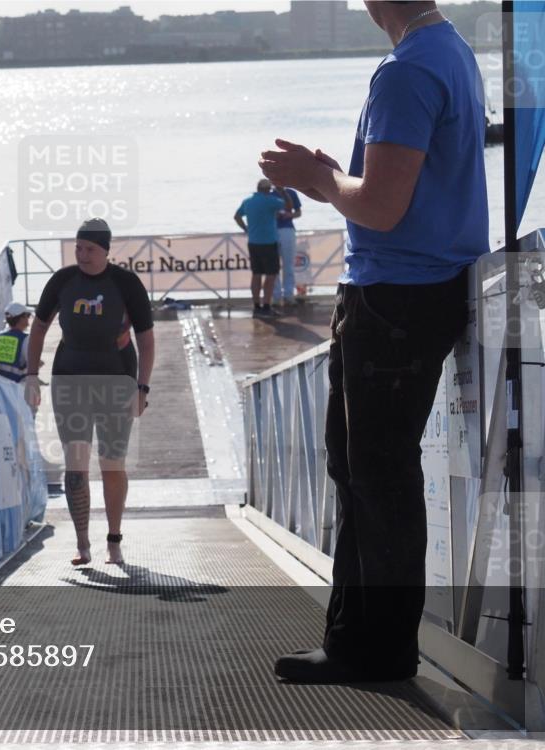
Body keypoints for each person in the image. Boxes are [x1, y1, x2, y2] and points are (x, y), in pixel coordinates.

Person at [258, 0, 488, 683]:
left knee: (376, 477)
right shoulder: (450, 52)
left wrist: (316, 179)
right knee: (364, 471)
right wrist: (332, 172)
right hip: (424, 288)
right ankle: (361, 639)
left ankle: (377, 648)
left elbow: (383, 209)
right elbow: (402, 192)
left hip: (396, 297)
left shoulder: (407, 69)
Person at [25, 218, 155, 567]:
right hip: (70, 379)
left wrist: (143, 386)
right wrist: (31, 375)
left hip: (117, 380)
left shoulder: (125, 283)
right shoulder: (63, 281)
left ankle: (114, 540)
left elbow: (146, 338)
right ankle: (83, 543)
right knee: (75, 467)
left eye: (89, 249)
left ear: (105, 251)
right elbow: (38, 328)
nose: (81, 254)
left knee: (112, 465)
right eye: (78, 247)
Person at [234, 179, 293, 317]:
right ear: (268, 189)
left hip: (253, 242)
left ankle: (256, 307)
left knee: (256, 275)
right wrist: (282, 191)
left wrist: (246, 229)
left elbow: (237, 216)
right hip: (269, 242)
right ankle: (266, 306)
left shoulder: (248, 201)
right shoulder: (271, 201)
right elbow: (289, 207)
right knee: (271, 275)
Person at [0, 301, 35, 383]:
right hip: (18, 387)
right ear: (20, 318)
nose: (28, 318)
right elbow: (32, 364)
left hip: (0, 385)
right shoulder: (25, 339)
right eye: (27, 316)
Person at [273, 187, 302, 306]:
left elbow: (298, 212)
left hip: (288, 230)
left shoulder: (291, 193)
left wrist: (290, 215)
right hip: (272, 231)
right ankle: (276, 296)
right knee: (273, 266)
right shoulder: (269, 194)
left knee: (288, 264)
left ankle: (289, 295)